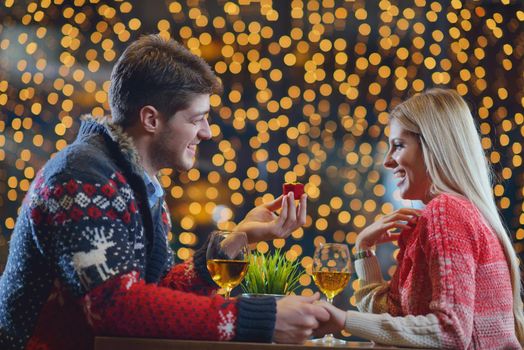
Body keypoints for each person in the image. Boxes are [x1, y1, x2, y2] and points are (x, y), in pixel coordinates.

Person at [0, 34, 329, 350]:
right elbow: (116, 308)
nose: (208, 132)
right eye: (196, 119)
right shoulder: (80, 178)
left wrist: (238, 240)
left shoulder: (138, 182)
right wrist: (261, 319)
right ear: (151, 119)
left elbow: (153, 296)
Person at [315, 88, 524, 349]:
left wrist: (344, 320)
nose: (387, 161)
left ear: (433, 147)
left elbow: (450, 331)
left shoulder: (447, 212)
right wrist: (363, 250)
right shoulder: (443, 215)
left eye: (398, 146)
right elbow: (396, 320)